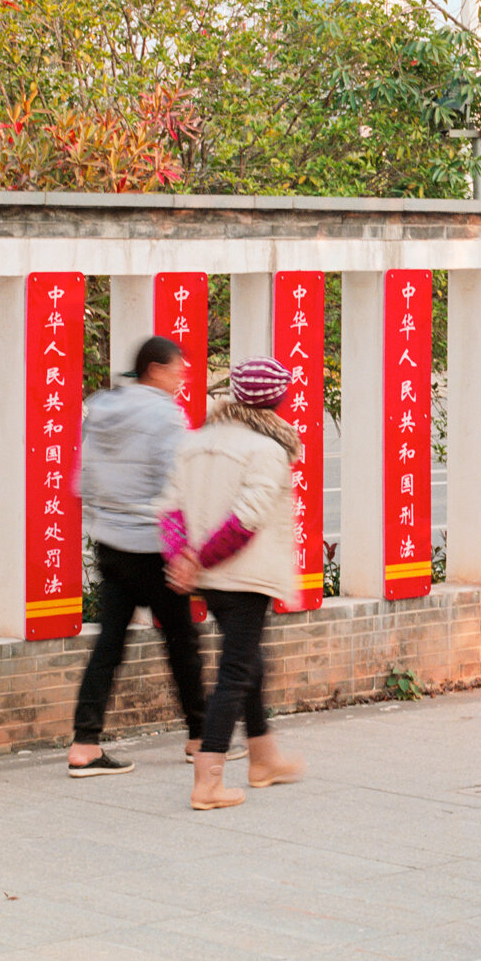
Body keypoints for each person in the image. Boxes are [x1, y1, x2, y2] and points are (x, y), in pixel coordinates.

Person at [160, 356, 307, 809]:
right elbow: (247, 518)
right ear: (276, 400)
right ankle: (209, 779)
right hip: (244, 573)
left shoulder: (194, 442)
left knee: (249, 661)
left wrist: (182, 556)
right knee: (237, 670)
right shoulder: (268, 450)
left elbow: (169, 508)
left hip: (207, 572)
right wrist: (198, 557)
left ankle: (263, 758)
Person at [66, 335, 212, 776]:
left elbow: (83, 480)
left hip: (111, 543)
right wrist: (184, 549)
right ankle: (201, 736)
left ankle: (84, 745)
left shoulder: (103, 408)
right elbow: (176, 485)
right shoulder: (165, 416)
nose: (181, 379)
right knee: (182, 642)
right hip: (152, 547)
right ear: (154, 370)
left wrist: (107, 516)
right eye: (176, 371)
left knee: (109, 643)